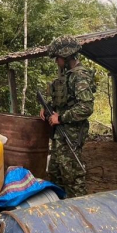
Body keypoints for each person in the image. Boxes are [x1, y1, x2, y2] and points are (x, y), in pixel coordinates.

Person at [40, 35, 95, 197]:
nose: (56, 61)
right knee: (56, 173)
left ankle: (81, 212)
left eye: (57, 57)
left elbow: (86, 107)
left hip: (71, 134)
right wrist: (47, 108)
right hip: (60, 135)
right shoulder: (67, 75)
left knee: (73, 177)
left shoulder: (80, 75)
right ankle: (62, 213)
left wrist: (61, 118)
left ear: (66, 55)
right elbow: (62, 100)